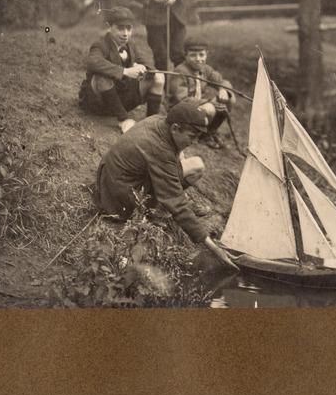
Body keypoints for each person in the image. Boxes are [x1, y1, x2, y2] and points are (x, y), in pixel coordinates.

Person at [95, 102, 238, 271]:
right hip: (118, 201)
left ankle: (160, 201)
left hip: (108, 181)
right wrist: (214, 248)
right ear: (175, 128)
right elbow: (177, 204)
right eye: (192, 135)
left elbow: (172, 154)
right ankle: (153, 210)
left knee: (193, 164)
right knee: (191, 172)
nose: (194, 141)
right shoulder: (160, 150)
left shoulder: (158, 121)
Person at [78, 6, 164, 133]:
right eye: (120, 28)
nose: (125, 33)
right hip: (98, 102)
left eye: (129, 28)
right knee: (101, 77)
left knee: (159, 76)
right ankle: (123, 120)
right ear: (108, 26)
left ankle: (152, 123)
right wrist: (125, 71)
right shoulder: (100, 44)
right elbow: (93, 62)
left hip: (121, 98)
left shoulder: (130, 44)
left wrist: (142, 67)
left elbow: (147, 62)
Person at [167, 36, 234, 149]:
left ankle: (211, 131)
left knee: (229, 98)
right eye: (193, 55)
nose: (198, 59)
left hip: (197, 106)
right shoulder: (180, 71)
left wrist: (223, 89)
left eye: (201, 55)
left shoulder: (206, 69)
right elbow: (182, 99)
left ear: (206, 54)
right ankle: (204, 136)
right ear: (185, 55)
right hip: (180, 109)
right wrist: (209, 102)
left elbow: (221, 81)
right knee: (210, 108)